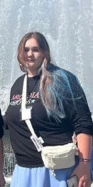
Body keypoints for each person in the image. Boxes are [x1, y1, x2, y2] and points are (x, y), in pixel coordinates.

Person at [5, 32, 93, 187]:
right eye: (25, 50)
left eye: (35, 49)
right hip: (24, 171)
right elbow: (11, 120)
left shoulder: (62, 79)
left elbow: (83, 122)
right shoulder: (18, 84)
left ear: (45, 52)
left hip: (57, 170)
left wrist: (85, 164)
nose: (30, 54)